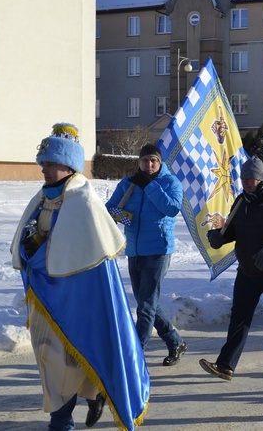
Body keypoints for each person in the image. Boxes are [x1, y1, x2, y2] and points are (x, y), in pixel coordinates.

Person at [11, 123, 149, 430]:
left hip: (79, 302)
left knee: (71, 360)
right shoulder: (42, 198)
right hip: (45, 297)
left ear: (69, 166)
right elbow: (30, 245)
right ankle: (86, 401)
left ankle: (63, 421)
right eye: (43, 163)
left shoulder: (85, 202)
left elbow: (94, 265)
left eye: (51, 164)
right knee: (51, 362)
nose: (44, 169)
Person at [200, 157, 263, 380]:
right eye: (243, 178)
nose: (246, 182)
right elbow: (233, 230)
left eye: (250, 178)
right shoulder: (241, 201)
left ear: (261, 177)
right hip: (248, 270)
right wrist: (219, 237)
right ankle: (226, 365)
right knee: (239, 317)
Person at [106, 143, 187, 366]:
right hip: (135, 250)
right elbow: (110, 209)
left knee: (146, 306)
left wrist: (150, 186)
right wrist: (127, 219)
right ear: (138, 162)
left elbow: (171, 208)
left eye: (154, 161)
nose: (149, 164)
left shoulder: (170, 182)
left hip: (159, 250)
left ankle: (135, 355)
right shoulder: (127, 184)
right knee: (146, 302)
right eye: (145, 160)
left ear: (160, 163)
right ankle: (175, 341)